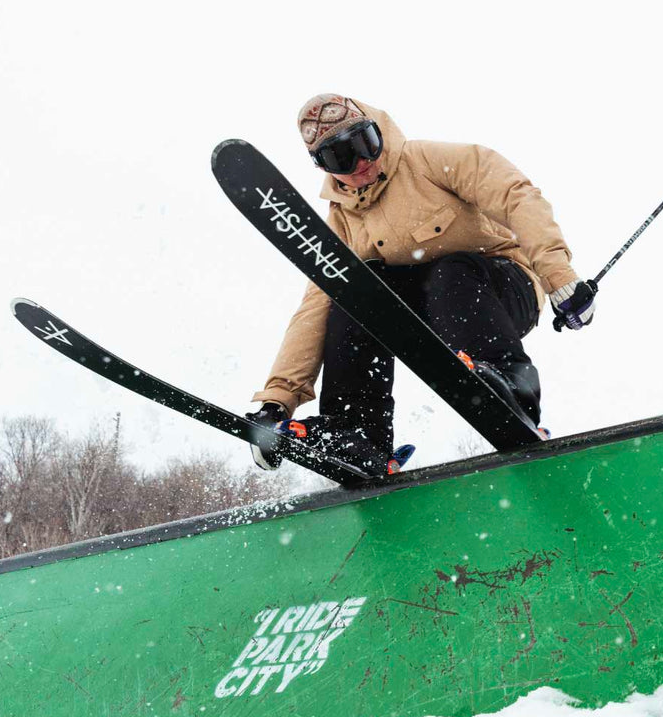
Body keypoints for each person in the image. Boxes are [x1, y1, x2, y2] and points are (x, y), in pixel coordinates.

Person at [244, 93, 595, 474]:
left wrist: (558, 277)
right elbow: (315, 308)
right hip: (425, 318)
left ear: (379, 132)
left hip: (499, 293)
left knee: (451, 270)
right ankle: (357, 429)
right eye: (341, 158)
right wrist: (277, 402)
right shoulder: (343, 223)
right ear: (323, 167)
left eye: (366, 144)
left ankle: (507, 380)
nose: (361, 162)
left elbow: (516, 195)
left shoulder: (429, 161)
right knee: (355, 294)